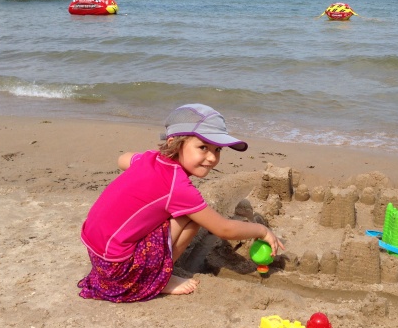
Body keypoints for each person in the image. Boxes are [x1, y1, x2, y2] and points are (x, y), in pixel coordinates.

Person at [78, 103, 284, 302]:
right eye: (203, 147)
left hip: (99, 256)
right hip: (119, 271)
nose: (212, 158)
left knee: (169, 211)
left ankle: (156, 270)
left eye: (218, 150)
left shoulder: (149, 159)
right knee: (191, 218)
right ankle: (160, 279)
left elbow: (123, 159)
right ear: (174, 144)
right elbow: (224, 229)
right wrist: (261, 231)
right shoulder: (177, 186)